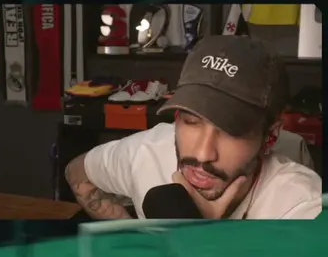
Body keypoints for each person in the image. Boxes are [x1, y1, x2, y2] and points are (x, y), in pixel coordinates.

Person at [65, 35, 321, 220]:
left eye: (230, 131)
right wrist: (129, 231)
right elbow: (77, 173)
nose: (202, 154)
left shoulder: (299, 206)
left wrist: (201, 231)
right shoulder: (147, 152)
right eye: (191, 121)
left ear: (271, 136)